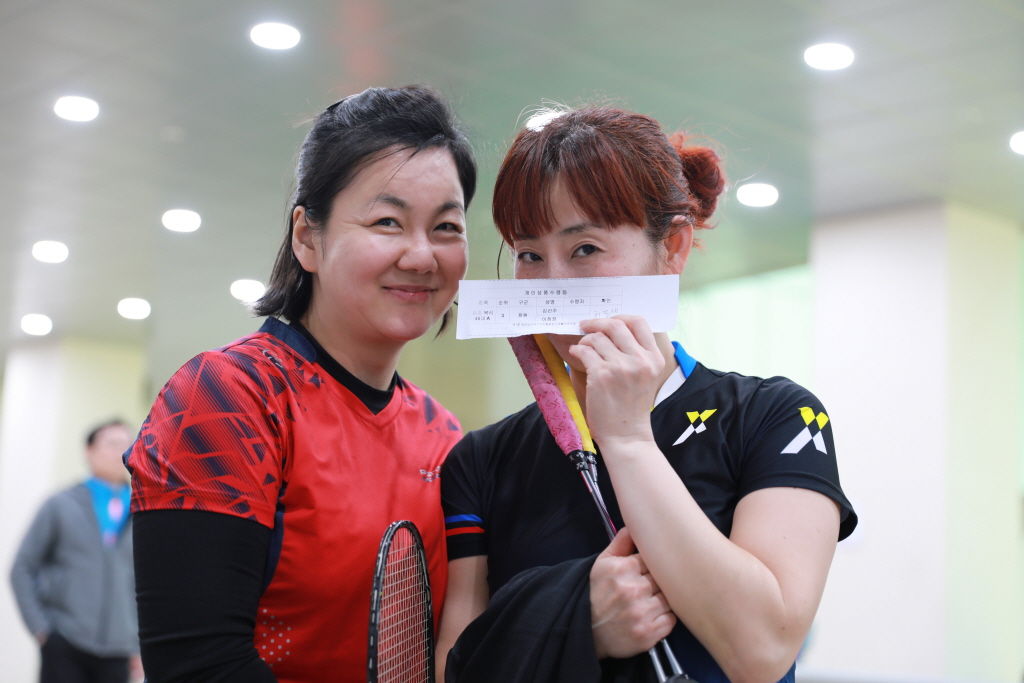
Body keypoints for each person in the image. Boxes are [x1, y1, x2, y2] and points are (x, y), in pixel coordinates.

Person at [438, 106, 857, 683]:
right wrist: (577, 619)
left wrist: (629, 439)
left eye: (585, 249)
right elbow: (453, 668)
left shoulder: (777, 418)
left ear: (673, 248)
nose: (554, 283)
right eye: (529, 255)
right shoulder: (483, 459)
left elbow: (763, 649)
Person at [124, 85, 476, 682]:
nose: (422, 256)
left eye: (446, 226)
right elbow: (199, 667)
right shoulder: (225, 397)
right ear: (307, 237)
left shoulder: (442, 432)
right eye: (387, 221)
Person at [11, 419, 142, 683]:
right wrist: (42, 630)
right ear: (89, 451)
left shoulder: (141, 512)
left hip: (119, 652)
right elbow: (22, 567)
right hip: (65, 644)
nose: (121, 452)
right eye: (112, 444)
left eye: (127, 444)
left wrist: (139, 644)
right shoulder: (60, 505)